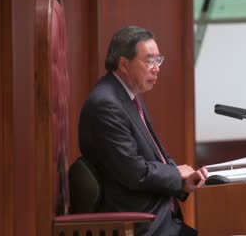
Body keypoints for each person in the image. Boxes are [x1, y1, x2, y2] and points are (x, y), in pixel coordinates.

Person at [78, 26, 207, 236]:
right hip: (137, 224)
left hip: (158, 216)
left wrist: (183, 181)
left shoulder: (128, 95)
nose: (156, 68)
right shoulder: (106, 104)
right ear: (124, 64)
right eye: (149, 61)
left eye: (158, 60)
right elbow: (134, 172)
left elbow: (157, 154)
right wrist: (176, 174)